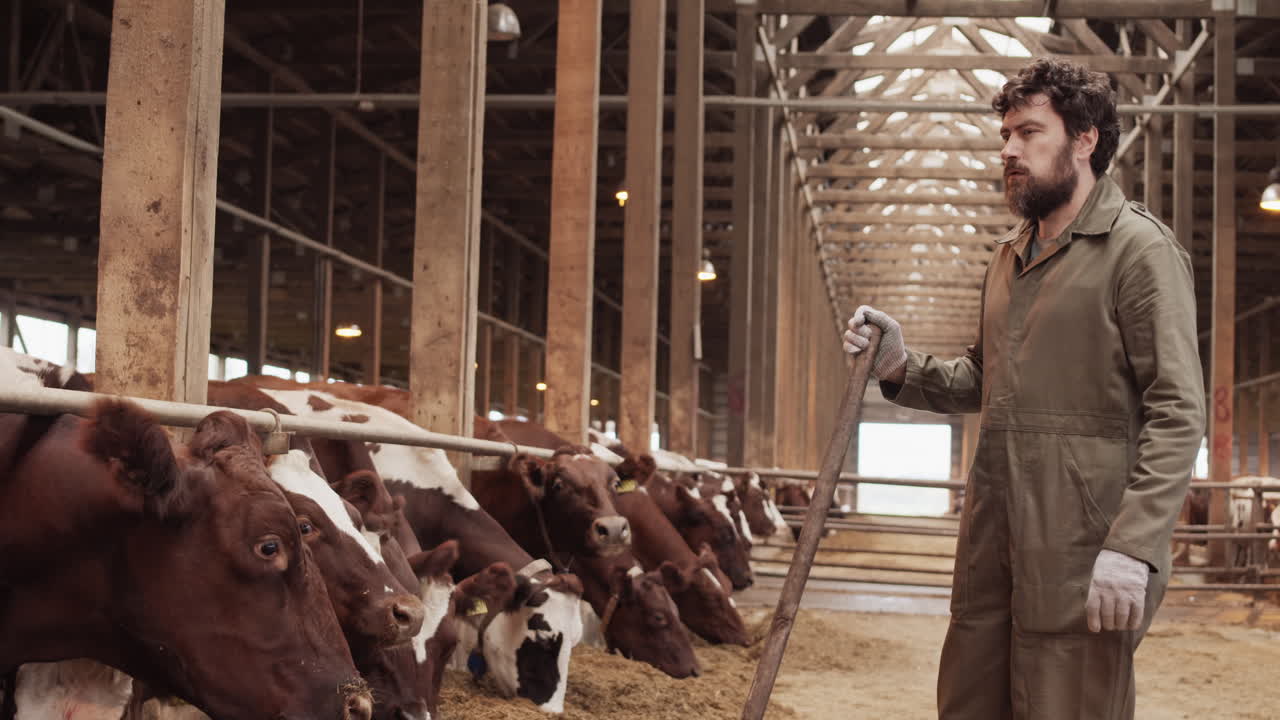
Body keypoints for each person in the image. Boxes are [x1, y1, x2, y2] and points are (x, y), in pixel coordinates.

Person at [843, 58, 1205, 720]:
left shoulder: (1137, 252)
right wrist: (900, 366)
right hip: (994, 544)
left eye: (1029, 132)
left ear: (1086, 138)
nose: (1009, 149)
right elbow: (988, 379)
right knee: (969, 705)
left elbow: (1179, 413)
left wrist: (1133, 545)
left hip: (1082, 555)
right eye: (1005, 134)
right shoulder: (1011, 258)